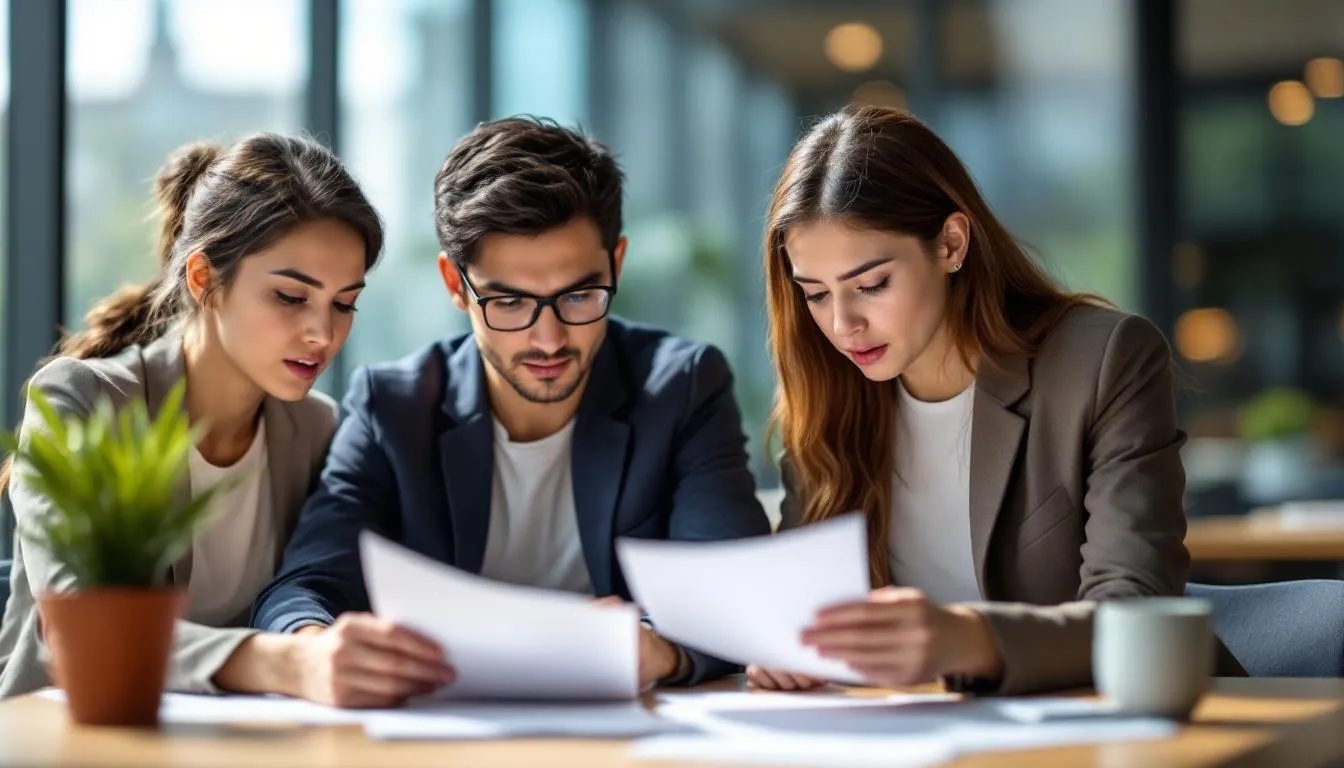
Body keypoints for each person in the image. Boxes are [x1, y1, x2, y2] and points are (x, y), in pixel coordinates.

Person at [252, 116, 770, 706]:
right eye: (509, 302)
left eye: (579, 295)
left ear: (616, 263)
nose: (548, 339)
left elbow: (732, 590)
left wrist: (660, 649)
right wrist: (314, 649)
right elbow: (304, 585)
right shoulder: (393, 408)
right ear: (454, 282)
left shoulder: (680, 388)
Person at [749, 105, 1188, 695]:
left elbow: (1135, 614)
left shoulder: (1102, 361)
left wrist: (965, 638)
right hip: (899, 735)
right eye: (815, 294)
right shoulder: (828, 392)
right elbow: (800, 609)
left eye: (871, 285)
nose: (843, 324)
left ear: (951, 244)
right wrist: (787, 647)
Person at [0, 134, 389, 700]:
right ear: (204, 279)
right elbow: (77, 627)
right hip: (72, 736)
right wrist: (281, 662)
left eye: (344, 303)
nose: (322, 333)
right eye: (289, 296)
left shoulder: (316, 430)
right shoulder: (81, 401)